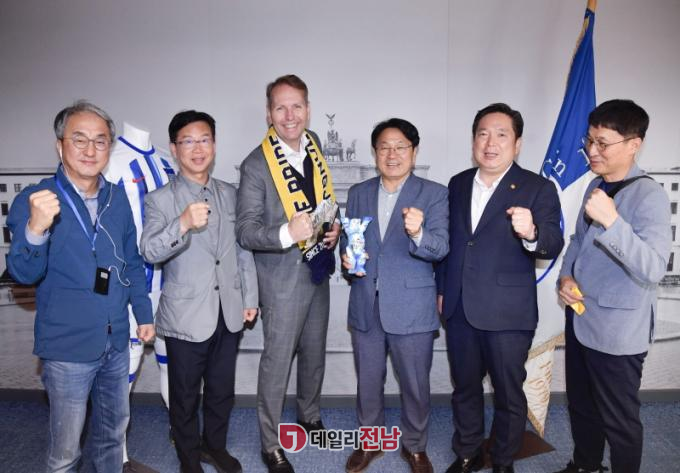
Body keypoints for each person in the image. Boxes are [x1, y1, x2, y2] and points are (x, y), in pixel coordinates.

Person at [6, 100, 155, 473]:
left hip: (116, 340)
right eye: (79, 139)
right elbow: (23, 273)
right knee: (65, 454)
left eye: (100, 141)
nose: (91, 150)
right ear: (60, 146)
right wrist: (36, 228)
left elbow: (131, 261)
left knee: (112, 439)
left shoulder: (116, 197)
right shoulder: (36, 199)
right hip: (67, 348)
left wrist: (143, 314)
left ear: (109, 148)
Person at [436, 103, 563, 473]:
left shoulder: (538, 188)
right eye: (483, 134)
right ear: (474, 140)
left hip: (508, 312)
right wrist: (442, 288)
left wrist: (532, 232)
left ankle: (504, 460)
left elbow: (552, 242)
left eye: (501, 135)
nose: (490, 143)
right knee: (465, 388)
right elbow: (449, 243)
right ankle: (468, 452)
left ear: (517, 143)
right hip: (459, 307)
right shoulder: (458, 183)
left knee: (508, 393)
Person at [555, 100, 671, 473]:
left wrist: (612, 222)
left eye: (603, 143)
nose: (592, 151)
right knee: (581, 405)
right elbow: (578, 242)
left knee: (619, 420)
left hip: (619, 331)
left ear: (634, 144)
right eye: (589, 141)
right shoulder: (596, 185)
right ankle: (586, 465)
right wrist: (566, 277)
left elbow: (653, 267)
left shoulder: (649, 195)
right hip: (581, 317)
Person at [139, 110, 258, 473]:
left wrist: (250, 298)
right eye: (188, 141)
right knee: (185, 396)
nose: (197, 148)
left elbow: (242, 251)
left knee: (222, 391)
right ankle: (189, 460)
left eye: (204, 140)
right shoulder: (160, 200)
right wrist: (182, 223)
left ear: (214, 145)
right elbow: (149, 251)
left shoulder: (230, 193)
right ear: (174, 149)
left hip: (229, 310)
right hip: (185, 316)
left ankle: (214, 448)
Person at [236, 74, 340, 473]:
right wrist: (286, 233)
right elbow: (245, 231)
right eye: (280, 107)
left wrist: (333, 230)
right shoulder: (255, 164)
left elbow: (323, 203)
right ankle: (270, 444)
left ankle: (309, 416)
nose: (290, 115)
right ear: (269, 113)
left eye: (297, 106)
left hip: (317, 268)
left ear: (308, 110)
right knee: (277, 363)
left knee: (314, 354)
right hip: (280, 280)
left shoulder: (315, 146)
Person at [341, 118, 449, 473]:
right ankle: (370, 442)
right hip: (366, 303)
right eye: (384, 147)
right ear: (375, 153)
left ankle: (415, 446)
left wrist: (418, 233)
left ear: (414, 152)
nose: (392, 154)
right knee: (368, 382)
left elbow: (441, 248)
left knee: (415, 384)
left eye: (401, 147)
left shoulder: (434, 193)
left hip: (411, 306)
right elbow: (351, 239)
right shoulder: (358, 192)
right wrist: (347, 259)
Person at [104, 122, 175, 472]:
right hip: (132, 286)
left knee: (173, 363)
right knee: (126, 372)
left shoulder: (166, 161)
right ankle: (117, 456)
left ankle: (182, 432)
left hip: (171, 284)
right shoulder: (110, 160)